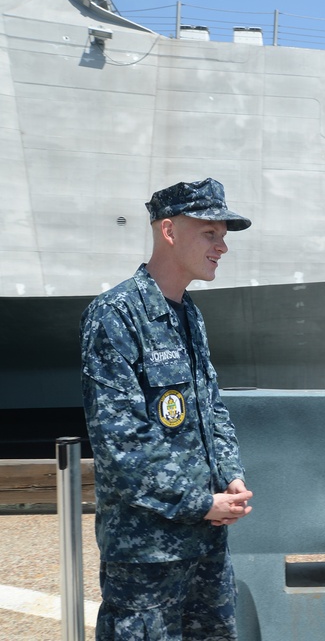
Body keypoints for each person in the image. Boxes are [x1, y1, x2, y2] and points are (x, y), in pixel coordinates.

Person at [80, 178, 254, 640]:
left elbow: (209, 407)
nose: (222, 247)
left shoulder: (188, 313)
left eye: (223, 236)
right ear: (170, 231)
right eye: (210, 233)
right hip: (147, 555)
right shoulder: (115, 314)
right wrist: (202, 503)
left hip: (205, 544)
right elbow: (122, 445)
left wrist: (230, 475)